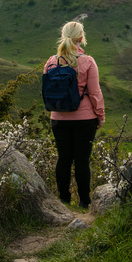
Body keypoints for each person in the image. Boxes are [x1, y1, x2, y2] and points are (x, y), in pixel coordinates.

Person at [44, 20, 105, 208]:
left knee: (63, 158)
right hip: (85, 119)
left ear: (63, 37)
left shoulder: (52, 61)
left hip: (58, 118)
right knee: (81, 160)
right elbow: (95, 93)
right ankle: (84, 202)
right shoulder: (87, 61)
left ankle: (63, 199)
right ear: (81, 38)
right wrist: (100, 115)